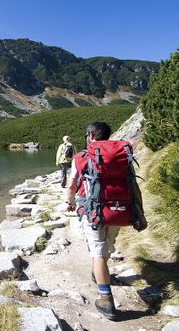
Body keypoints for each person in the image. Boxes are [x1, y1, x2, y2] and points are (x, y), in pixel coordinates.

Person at [66, 121, 118, 320]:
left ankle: (106, 299)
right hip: (118, 209)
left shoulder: (81, 157)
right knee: (106, 246)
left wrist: (70, 203)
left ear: (90, 136)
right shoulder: (119, 153)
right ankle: (99, 273)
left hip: (94, 210)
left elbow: (72, 186)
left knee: (97, 251)